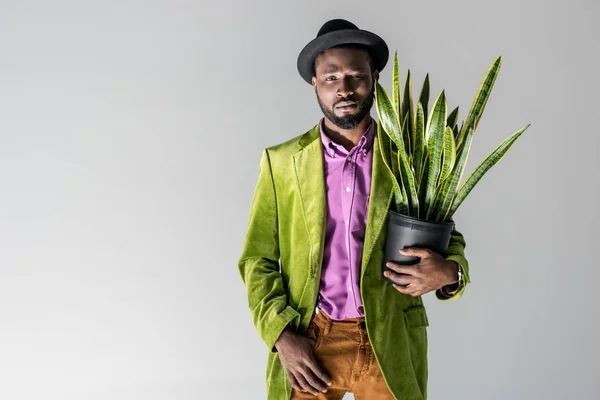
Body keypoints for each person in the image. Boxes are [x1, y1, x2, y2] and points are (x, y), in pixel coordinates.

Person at [238, 18, 470, 400]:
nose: (344, 89)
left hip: (389, 337)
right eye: (330, 78)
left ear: (374, 77)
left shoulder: (409, 156)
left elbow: (446, 233)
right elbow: (257, 259)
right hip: (311, 340)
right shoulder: (281, 162)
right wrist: (281, 337)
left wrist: (450, 272)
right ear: (314, 82)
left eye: (355, 76)